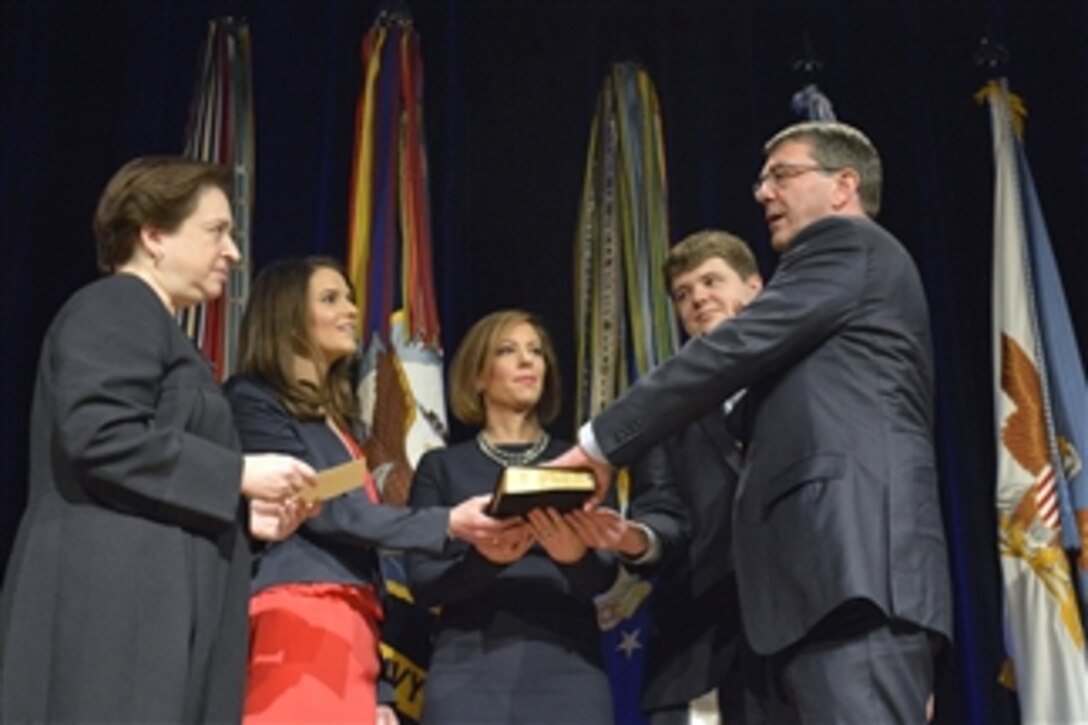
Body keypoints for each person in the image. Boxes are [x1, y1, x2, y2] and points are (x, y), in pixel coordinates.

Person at [552, 121, 953, 722]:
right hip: (801, 609)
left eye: (782, 176)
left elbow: (727, 352)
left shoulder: (848, 246)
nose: (763, 193)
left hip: (854, 582)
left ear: (843, 186)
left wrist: (598, 444)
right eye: (762, 180)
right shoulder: (831, 298)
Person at [0, 156, 317, 723]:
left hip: (152, 611)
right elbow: (100, 435)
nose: (234, 253)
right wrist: (237, 475)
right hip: (114, 614)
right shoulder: (115, 305)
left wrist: (246, 515)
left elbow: (154, 471)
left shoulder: (161, 330)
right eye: (217, 231)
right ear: (153, 236)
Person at [224, 257, 512, 724]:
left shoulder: (336, 422)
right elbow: (326, 511)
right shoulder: (254, 400)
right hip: (299, 616)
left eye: (351, 298)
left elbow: (359, 542)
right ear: (287, 315)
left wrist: (379, 690)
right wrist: (448, 522)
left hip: (353, 622)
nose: (351, 310)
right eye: (330, 299)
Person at [570, 230, 762, 725]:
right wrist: (637, 539)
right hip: (701, 653)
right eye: (683, 294)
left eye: (711, 281)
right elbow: (662, 510)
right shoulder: (661, 409)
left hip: (802, 649)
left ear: (754, 288)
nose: (698, 298)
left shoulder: (803, 382)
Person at [405, 309, 617, 724]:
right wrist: (487, 560)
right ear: (479, 377)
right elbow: (423, 583)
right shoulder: (442, 468)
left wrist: (573, 556)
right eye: (508, 351)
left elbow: (605, 577)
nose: (527, 361)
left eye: (535, 352)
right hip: (469, 671)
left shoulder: (579, 463)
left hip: (568, 670)